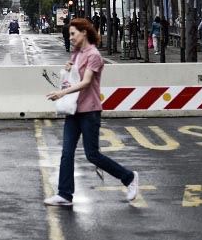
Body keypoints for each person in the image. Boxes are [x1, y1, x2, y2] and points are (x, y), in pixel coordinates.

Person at [44, 17, 138, 207]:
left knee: (92, 155)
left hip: (89, 111)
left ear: (84, 32)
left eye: (73, 33)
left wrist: (61, 93)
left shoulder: (94, 55)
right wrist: (67, 69)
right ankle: (64, 194)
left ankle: (129, 177)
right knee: (66, 152)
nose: (70, 37)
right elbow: (73, 76)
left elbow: (86, 82)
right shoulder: (77, 53)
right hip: (74, 110)